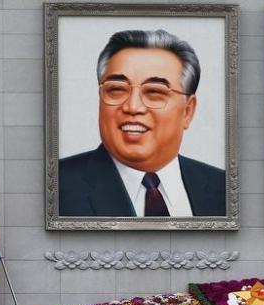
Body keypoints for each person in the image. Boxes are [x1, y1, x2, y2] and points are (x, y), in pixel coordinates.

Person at [59, 29, 226, 217]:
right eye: (116, 89)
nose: (132, 107)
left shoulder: (225, 189)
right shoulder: (55, 186)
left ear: (188, 111)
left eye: (154, 92)